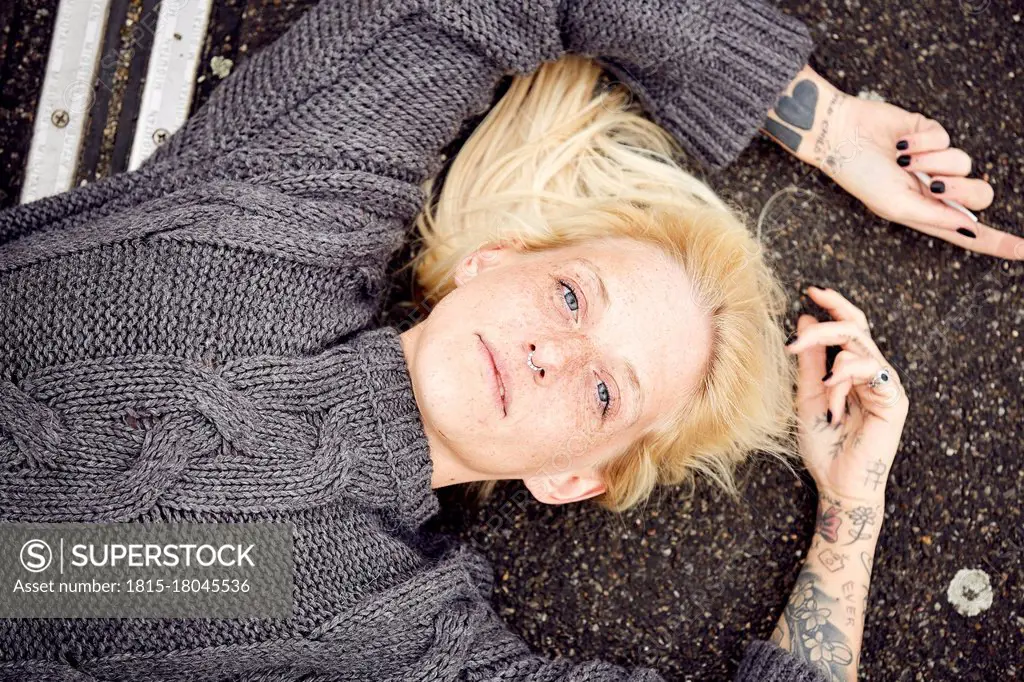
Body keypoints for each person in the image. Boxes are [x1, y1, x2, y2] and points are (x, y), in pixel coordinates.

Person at [0, 0, 1002, 679]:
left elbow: (43, 570)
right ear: (496, 259)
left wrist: (851, 509)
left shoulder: (377, 623)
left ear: (576, 476)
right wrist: (821, 119)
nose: (550, 353)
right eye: (570, 297)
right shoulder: (285, 213)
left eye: (605, 393)